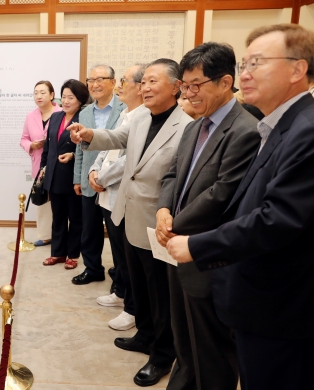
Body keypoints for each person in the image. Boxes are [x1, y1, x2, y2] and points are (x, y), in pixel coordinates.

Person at [166, 24, 314, 390]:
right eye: (244, 63)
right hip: (255, 295)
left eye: (256, 63)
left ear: (297, 70)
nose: (243, 74)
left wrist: (196, 244)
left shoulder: (306, 129)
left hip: (280, 305)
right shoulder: (278, 125)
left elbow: (277, 218)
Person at [69, 58, 192, 386]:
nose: (145, 87)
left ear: (176, 86)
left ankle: (163, 355)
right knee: (137, 285)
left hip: (160, 222)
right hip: (128, 214)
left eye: (154, 81)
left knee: (160, 294)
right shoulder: (139, 118)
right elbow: (116, 138)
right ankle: (144, 336)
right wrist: (88, 133)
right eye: (144, 82)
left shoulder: (188, 124)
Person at [155, 42, 261, 390]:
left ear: (224, 81)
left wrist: (174, 227)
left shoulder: (245, 130)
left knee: (212, 349)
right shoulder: (192, 127)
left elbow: (221, 193)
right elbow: (172, 176)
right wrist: (163, 210)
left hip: (206, 254)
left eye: (195, 85)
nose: (188, 93)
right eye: (185, 86)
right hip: (176, 247)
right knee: (184, 339)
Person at [93, 63, 148, 331]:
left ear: (139, 86)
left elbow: (129, 160)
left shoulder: (145, 117)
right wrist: (94, 170)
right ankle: (120, 292)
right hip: (106, 196)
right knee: (116, 251)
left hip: (121, 194)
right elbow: (108, 145)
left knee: (129, 258)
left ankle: (132, 308)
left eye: (123, 81)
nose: (119, 86)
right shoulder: (124, 113)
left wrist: (102, 178)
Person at [72, 65, 125, 278]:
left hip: (115, 181)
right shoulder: (84, 113)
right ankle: (92, 269)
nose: (95, 84)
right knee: (90, 230)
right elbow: (79, 148)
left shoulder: (125, 109)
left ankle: (120, 273)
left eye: (101, 79)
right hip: (89, 178)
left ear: (113, 82)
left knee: (116, 232)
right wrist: (78, 178)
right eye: (91, 80)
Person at [40, 79, 90, 267]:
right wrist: (43, 168)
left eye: (71, 97)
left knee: (75, 217)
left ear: (80, 100)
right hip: (53, 175)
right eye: (65, 97)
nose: (66, 101)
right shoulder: (55, 117)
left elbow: (90, 148)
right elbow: (48, 146)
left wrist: (73, 155)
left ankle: (72, 255)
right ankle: (58, 252)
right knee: (58, 216)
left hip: (73, 177)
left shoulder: (84, 119)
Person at [20, 81, 61, 246]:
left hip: (59, 165)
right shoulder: (31, 116)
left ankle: (62, 235)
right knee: (43, 200)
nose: (38, 96)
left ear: (52, 95)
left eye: (43, 92)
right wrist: (32, 145)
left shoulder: (62, 113)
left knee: (59, 201)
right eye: (36, 92)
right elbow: (23, 139)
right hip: (39, 165)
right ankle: (45, 235)